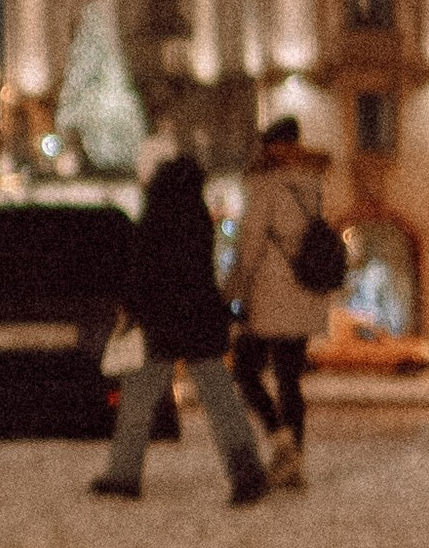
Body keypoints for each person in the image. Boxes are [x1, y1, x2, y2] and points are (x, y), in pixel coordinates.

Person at [94, 151, 271, 506]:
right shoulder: (198, 216)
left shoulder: (155, 216)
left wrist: (132, 307)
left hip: (161, 318)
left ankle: (124, 474)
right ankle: (247, 470)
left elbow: (143, 268)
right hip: (200, 318)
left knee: (139, 400)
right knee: (221, 399)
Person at [227, 114, 334, 490]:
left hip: (271, 295)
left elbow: (250, 246)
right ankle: (295, 461)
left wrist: (232, 292)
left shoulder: (266, 185)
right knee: (290, 379)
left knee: (245, 372)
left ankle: (281, 440)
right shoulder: (315, 183)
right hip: (306, 294)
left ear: (274, 147)